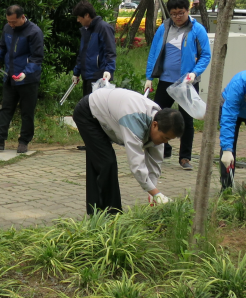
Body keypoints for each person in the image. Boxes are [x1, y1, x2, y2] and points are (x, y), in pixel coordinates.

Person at [72, 87, 183, 215]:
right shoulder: (134, 120)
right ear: (155, 125)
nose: (165, 142)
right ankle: (110, 214)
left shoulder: (161, 121)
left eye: (169, 139)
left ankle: (98, 212)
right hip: (88, 113)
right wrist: (156, 193)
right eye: (165, 138)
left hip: (106, 114)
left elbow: (155, 162)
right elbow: (136, 164)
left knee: (101, 162)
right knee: (106, 162)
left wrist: (152, 192)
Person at [144, 0, 210, 171]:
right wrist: (149, 77)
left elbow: (206, 55)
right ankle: (163, 148)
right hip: (165, 80)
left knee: (186, 120)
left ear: (188, 11)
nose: (177, 17)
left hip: (186, 83)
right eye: (173, 14)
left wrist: (194, 73)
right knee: (157, 116)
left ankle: (185, 157)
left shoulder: (197, 30)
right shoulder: (164, 28)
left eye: (181, 13)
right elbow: (153, 53)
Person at [0, 5, 45, 154]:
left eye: (14, 22)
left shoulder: (34, 32)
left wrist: (26, 72)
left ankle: (24, 141)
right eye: (9, 21)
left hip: (28, 79)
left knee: (27, 111)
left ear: (23, 17)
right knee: (6, 108)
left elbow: (37, 58)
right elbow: (1, 46)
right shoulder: (8, 29)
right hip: (10, 76)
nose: (11, 25)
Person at [71, 0, 117, 97]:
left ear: (87, 15)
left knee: (97, 109)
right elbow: (82, 53)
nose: (78, 20)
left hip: (100, 77)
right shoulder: (85, 30)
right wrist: (76, 72)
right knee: (87, 107)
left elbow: (110, 52)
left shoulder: (104, 28)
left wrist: (109, 70)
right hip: (87, 76)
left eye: (79, 17)